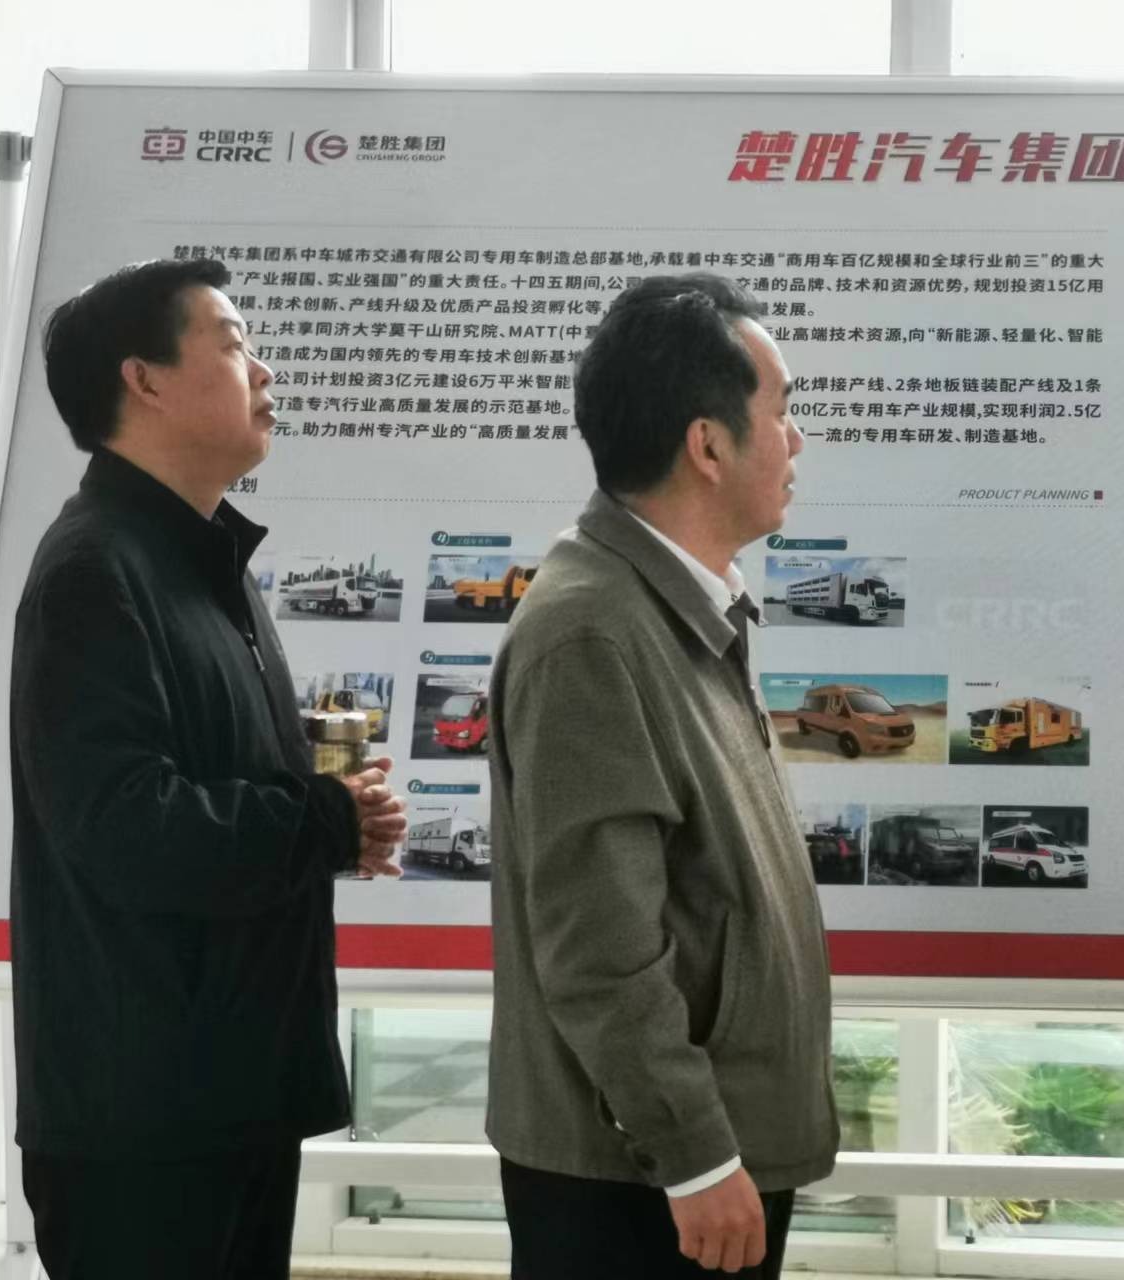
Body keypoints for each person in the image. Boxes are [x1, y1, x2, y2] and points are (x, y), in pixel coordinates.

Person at [10, 258, 408, 1279]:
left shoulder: (200, 561)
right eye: (232, 345)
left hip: (228, 1094)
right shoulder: (94, 571)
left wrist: (336, 813)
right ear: (143, 380)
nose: (263, 370)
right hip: (142, 1127)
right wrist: (323, 822)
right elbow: (125, 827)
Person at [487, 273, 838, 1278]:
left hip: (688, 1158)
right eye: (781, 411)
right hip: (640, 1184)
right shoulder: (593, 632)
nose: (797, 440)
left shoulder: (672, 607)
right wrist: (695, 1152)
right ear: (708, 444)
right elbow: (599, 943)